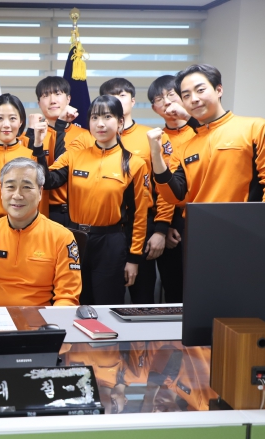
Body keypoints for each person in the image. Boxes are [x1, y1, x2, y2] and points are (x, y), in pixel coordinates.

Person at [39, 95, 149, 305]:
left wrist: (134, 258)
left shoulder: (134, 164)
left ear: (120, 122)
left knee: (107, 304)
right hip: (75, 239)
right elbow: (47, 181)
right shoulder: (74, 156)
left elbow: (139, 215)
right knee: (73, 302)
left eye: (107, 117)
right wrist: (38, 147)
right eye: (95, 117)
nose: (100, 124)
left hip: (110, 242)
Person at [0, 158, 80, 307]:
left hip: (37, 315)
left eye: (26, 187)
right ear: (1, 190)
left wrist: (49, 321)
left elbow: (67, 296)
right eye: (10, 187)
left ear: (40, 192)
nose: (17, 195)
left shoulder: (61, 237)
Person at [151, 64, 265, 204]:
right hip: (197, 218)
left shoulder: (257, 128)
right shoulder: (185, 148)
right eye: (186, 95)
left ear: (218, 90)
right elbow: (174, 197)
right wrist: (156, 154)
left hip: (246, 218)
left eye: (200, 90)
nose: (194, 99)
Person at [99, 78, 175, 305]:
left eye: (122, 95)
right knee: (105, 297)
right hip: (106, 229)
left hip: (143, 224)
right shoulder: (94, 138)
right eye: (110, 96)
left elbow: (166, 186)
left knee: (143, 296)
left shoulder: (152, 136)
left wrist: (161, 229)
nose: (116, 100)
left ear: (132, 100)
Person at [146, 75, 196, 303]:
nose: (166, 102)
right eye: (159, 99)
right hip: (170, 223)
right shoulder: (156, 139)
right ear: (154, 108)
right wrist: (164, 226)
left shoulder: (200, 132)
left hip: (201, 216)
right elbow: (161, 187)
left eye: (171, 95)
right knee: (174, 290)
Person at [27, 76, 95, 227]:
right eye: (46, 95)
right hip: (40, 213)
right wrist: (31, 135)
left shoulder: (86, 136)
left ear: (68, 99)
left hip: (78, 214)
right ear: (39, 103)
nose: (52, 100)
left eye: (58, 94)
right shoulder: (31, 136)